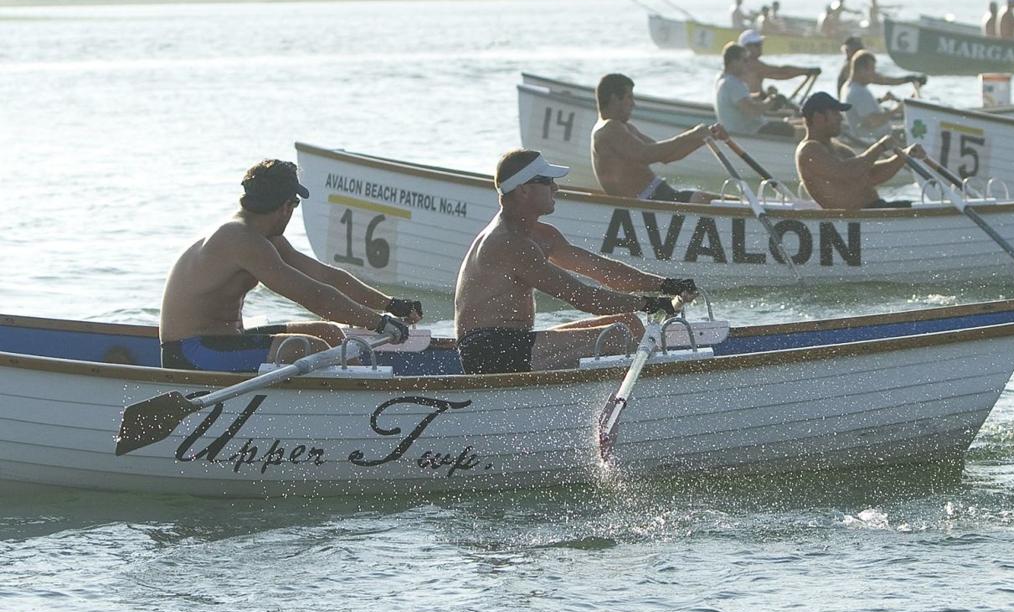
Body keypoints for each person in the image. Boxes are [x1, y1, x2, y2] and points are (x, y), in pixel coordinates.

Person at [158, 159, 417, 372]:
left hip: (226, 341)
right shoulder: (240, 239)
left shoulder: (263, 238)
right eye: (295, 203)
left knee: (329, 334)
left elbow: (326, 277)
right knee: (309, 347)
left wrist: (391, 304)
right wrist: (380, 323)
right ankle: (361, 406)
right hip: (190, 352)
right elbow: (315, 296)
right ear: (285, 207)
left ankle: (361, 400)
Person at [454, 149, 697, 374]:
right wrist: (649, 304)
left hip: (517, 342)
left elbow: (602, 271)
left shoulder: (543, 236)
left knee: (626, 322)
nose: (555, 188)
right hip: (488, 352)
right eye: (547, 181)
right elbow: (582, 297)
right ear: (523, 190)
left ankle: (653, 385)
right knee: (616, 337)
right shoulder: (510, 243)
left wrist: (665, 285)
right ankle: (659, 389)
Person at [591, 73, 728, 203]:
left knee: (724, 200)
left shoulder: (624, 128)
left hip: (659, 195)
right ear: (615, 98)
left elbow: (666, 156)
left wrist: (705, 136)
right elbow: (646, 154)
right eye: (629, 97)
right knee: (721, 202)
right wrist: (693, 134)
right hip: (648, 201)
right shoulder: (609, 128)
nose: (633, 104)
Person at [794, 93, 925, 210]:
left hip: (875, 211)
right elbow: (846, 172)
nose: (840, 118)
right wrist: (880, 147)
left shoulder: (840, 149)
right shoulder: (808, 150)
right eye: (835, 113)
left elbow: (871, 175)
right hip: (854, 219)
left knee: (925, 207)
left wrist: (904, 156)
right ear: (818, 117)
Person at [714, 35, 814, 138]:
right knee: (811, 130)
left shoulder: (723, 78)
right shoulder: (732, 84)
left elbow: (741, 100)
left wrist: (760, 96)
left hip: (753, 128)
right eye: (744, 60)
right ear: (733, 62)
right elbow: (752, 111)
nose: (747, 63)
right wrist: (771, 101)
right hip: (751, 132)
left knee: (794, 124)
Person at [841, 50, 924, 137]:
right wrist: (896, 110)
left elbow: (860, 109)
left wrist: (882, 100)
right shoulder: (858, 92)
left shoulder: (848, 86)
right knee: (918, 132)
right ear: (861, 70)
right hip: (874, 139)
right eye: (872, 69)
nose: (874, 73)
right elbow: (872, 122)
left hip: (877, 134)